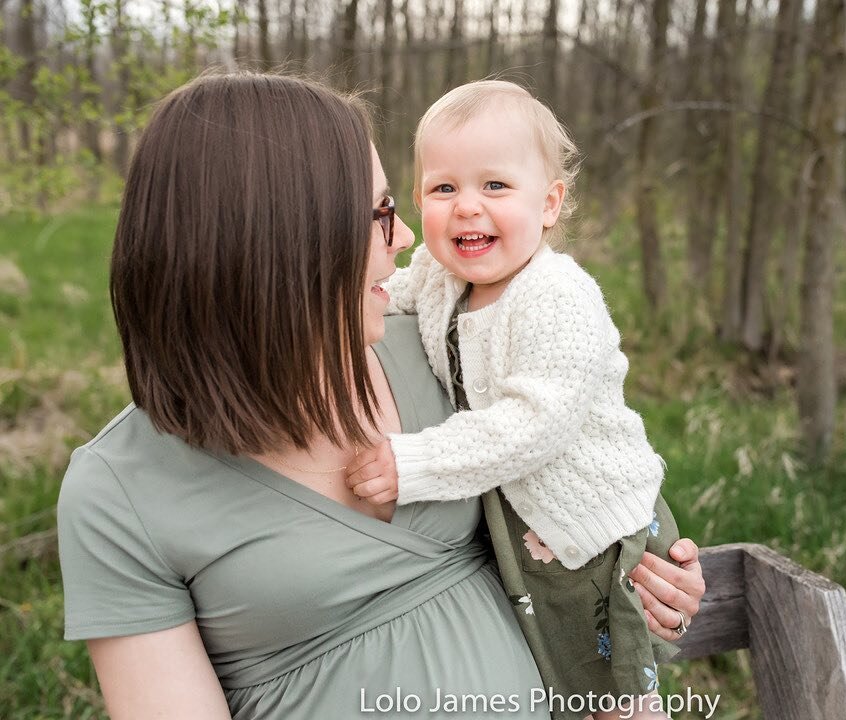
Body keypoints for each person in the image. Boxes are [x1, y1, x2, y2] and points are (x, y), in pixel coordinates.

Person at [56, 72, 705, 720]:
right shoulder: (121, 490)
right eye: (381, 215)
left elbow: (556, 456)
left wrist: (649, 580)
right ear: (283, 243)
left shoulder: (434, 350)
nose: (405, 240)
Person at [346, 80, 680, 720]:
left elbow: (534, 427)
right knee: (553, 681)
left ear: (549, 204)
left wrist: (411, 464)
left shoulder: (556, 297)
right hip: (530, 533)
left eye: (495, 187)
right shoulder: (443, 279)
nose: (467, 207)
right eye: (445, 189)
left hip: (597, 529)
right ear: (419, 201)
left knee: (612, 698)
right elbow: (388, 292)